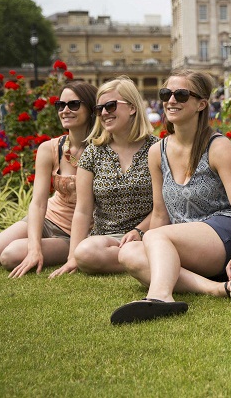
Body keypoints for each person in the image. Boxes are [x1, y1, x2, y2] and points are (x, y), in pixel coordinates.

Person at [112, 69, 231, 324]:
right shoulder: (156, 152)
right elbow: (160, 213)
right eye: (166, 94)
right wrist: (146, 241)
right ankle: (216, 289)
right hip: (193, 247)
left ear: (201, 104)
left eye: (181, 95)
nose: (171, 100)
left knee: (154, 236)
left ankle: (160, 296)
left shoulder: (217, 147)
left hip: (229, 236)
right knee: (128, 254)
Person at [0, 81, 98, 275]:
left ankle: (18, 243)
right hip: (48, 218)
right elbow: (37, 203)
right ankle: (14, 241)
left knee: (9, 255)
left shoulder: (103, 151)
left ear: (91, 109)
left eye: (74, 105)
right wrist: (34, 248)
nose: (65, 110)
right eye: (60, 105)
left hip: (74, 234)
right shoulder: (50, 148)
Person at [50, 76, 158, 278]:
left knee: (153, 243)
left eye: (111, 106)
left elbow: (164, 205)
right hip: (107, 240)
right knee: (85, 253)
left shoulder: (157, 149)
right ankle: (146, 261)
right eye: (100, 109)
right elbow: (83, 210)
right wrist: (72, 256)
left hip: (149, 233)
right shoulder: (93, 153)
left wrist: (138, 231)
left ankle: (146, 258)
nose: (104, 113)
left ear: (133, 107)